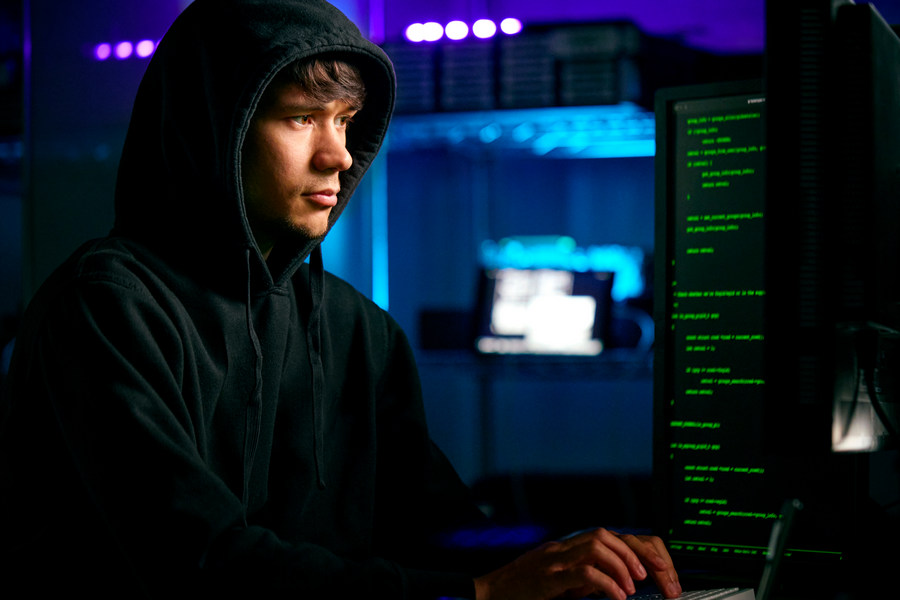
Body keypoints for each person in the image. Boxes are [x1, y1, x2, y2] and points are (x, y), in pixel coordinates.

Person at [0, 1, 682, 598]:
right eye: (301, 118)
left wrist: (580, 561)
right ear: (216, 128)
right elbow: (196, 563)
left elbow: (436, 531)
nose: (340, 155)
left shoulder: (359, 327)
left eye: (347, 120)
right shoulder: (105, 308)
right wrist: (480, 594)